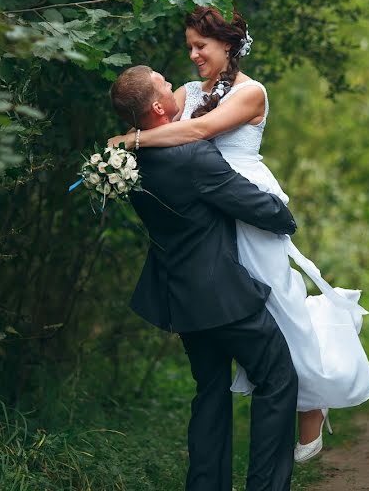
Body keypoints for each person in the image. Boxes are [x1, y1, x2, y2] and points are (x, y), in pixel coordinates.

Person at [108, 7, 369, 463]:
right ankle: (290, 404)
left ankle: (313, 399)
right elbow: (173, 135)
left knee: (282, 305)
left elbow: (200, 131)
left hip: (247, 205)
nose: (192, 55)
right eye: (189, 46)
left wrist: (132, 139)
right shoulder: (190, 92)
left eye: (200, 46)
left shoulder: (252, 93)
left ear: (227, 46)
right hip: (211, 213)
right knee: (252, 323)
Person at [111, 65, 299, 491]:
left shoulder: (128, 161)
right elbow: (250, 203)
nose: (173, 82)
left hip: (181, 298)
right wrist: (285, 217)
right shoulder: (191, 157)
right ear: (158, 106)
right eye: (163, 82)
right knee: (278, 377)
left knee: (210, 392)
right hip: (223, 296)